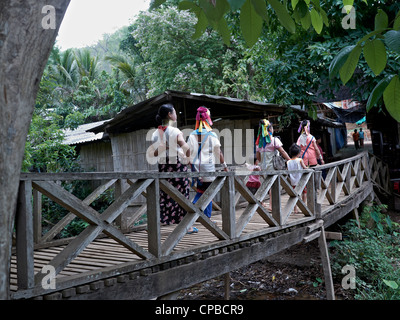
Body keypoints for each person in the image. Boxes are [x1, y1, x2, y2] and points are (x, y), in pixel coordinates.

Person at [150, 103, 191, 228]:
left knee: (166, 193)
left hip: (163, 165)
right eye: (174, 112)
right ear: (169, 114)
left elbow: (154, 153)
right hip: (177, 165)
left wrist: (164, 147)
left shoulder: (155, 133)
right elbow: (186, 147)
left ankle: (167, 222)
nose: (176, 115)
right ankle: (185, 226)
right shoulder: (174, 131)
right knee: (183, 194)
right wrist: (188, 158)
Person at [187, 106, 228, 226]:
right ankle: (205, 217)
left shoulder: (192, 135)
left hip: (196, 168)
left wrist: (191, 166)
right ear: (207, 118)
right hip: (208, 169)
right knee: (209, 192)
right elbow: (218, 153)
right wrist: (224, 166)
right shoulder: (212, 135)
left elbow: (188, 152)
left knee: (201, 191)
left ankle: (195, 213)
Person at [255, 119, 290, 210]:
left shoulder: (259, 142)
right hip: (273, 168)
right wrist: (289, 160)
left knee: (267, 186)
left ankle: (264, 203)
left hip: (263, 168)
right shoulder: (274, 140)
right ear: (269, 129)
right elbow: (282, 151)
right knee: (273, 187)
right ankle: (271, 205)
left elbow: (258, 157)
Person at [287, 144, 307, 214]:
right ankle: (303, 206)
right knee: (304, 193)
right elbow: (305, 168)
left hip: (293, 182)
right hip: (301, 181)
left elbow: (287, 171)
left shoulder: (288, 162)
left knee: (295, 195)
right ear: (299, 153)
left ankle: (295, 209)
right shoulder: (300, 160)